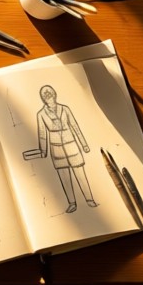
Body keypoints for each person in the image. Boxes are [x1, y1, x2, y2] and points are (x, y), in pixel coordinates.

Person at [28, 84, 98, 214]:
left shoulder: (65, 109)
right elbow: (42, 134)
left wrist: (84, 144)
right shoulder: (41, 114)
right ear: (42, 98)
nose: (48, 97)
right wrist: (43, 151)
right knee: (64, 177)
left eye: (50, 94)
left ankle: (89, 199)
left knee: (80, 174)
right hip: (56, 149)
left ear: (55, 94)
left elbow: (75, 126)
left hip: (72, 145)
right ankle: (72, 203)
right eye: (45, 95)